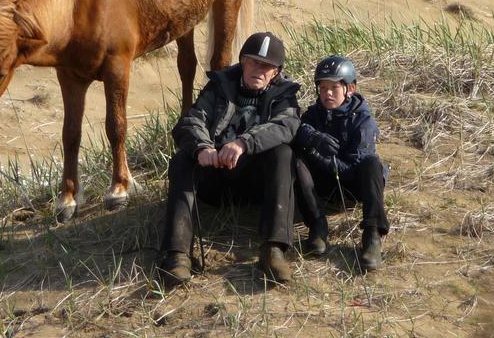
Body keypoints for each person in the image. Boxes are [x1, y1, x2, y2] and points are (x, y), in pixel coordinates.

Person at [157, 31, 301, 289]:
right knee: (182, 161)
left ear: (276, 72)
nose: (259, 69)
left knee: (283, 154)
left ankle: (273, 249)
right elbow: (191, 120)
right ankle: (177, 254)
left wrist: (244, 143)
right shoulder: (220, 85)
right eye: (253, 61)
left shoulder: (284, 95)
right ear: (243, 62)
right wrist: (203, 148)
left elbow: (286, 126)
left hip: (255, 183)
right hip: (215, 177)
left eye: (266, 66)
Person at [294, 55, 389, 272]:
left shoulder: (363, 121)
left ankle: (372, 235)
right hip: (323, 185)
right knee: (296, 160)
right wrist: (311, 138)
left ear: (350, 89)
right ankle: (317, 225)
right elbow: (297, 130)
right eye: (322, 87)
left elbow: (353, 167)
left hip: (352, 185)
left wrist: (320, 158)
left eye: (334, 88)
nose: (327, 93)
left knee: (372, 163)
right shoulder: (314, 114)